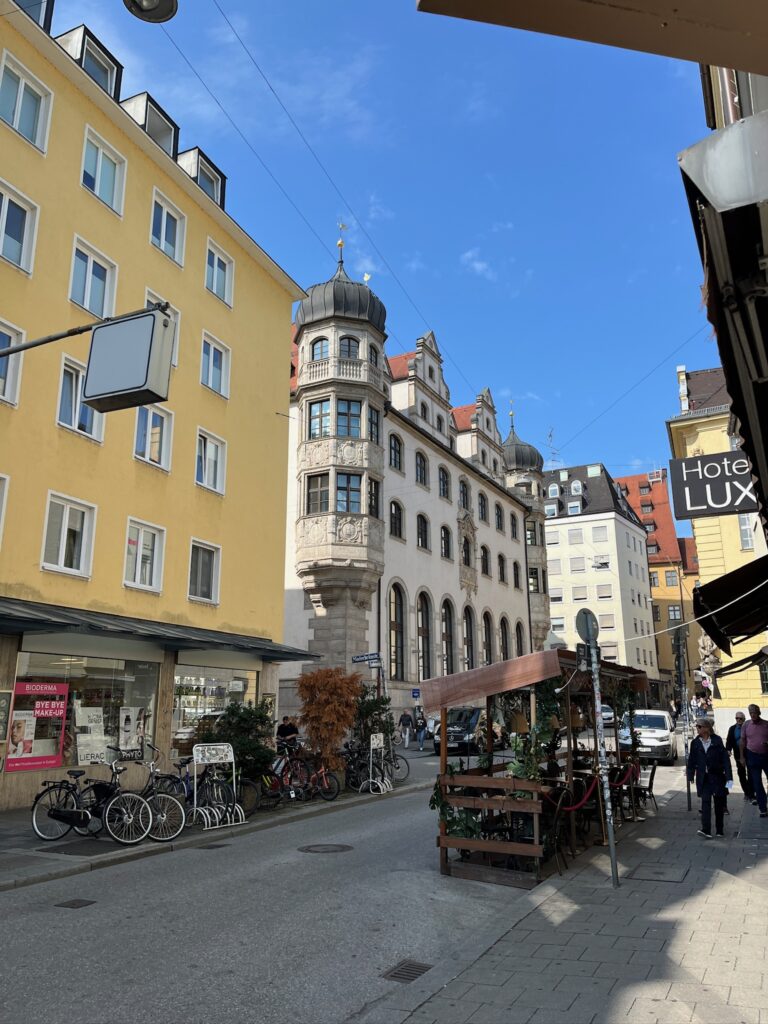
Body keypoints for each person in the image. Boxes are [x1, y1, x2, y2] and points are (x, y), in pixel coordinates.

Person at [687, 718, 732, 838]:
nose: (697, 729)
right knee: (705, 802)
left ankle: (719, 830)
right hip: (704, 778)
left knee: (719, 804)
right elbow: (692, 760)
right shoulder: (695, 743)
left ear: (707, 728)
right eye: (697, 726)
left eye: (699, 727)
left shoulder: (717, 740)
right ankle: (706, 830)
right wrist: (690, 774)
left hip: (717, 777)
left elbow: (725, 760)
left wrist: (729, 779)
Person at [740, 704, 768, 818]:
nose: (753, 715)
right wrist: (742, 757)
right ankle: (763, 808)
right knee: (757, 782)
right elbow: (742, 741)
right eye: (751, 713)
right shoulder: (746, 725)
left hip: (766, 756)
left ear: (759, 713)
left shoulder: (766, 724)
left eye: (755, 713)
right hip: (752, 756)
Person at [726, 711, 755, 802]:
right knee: (741, 774)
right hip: (738, 754)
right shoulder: (732, 729)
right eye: (737, 718)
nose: (738, 720)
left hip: (749, 753)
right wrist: (728, 749)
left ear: (744, 719)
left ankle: (751, 792)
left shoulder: (749, 727)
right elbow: (729, 740)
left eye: (740, 718)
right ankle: (747, 792)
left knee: (751, 774)